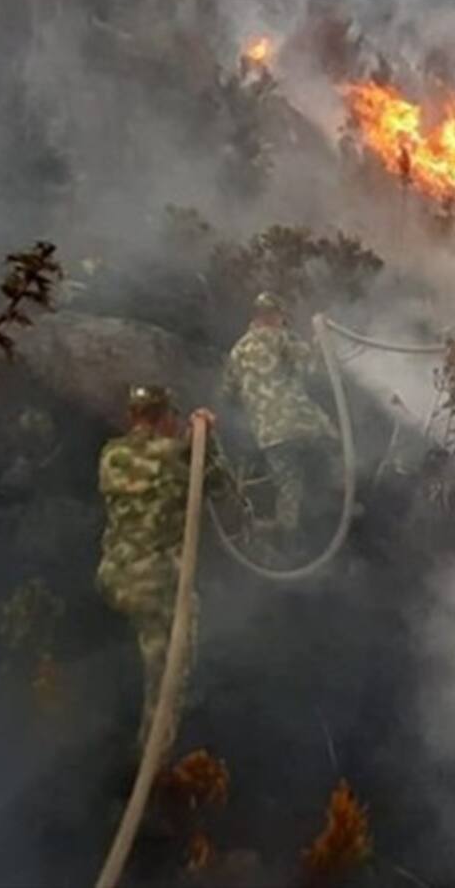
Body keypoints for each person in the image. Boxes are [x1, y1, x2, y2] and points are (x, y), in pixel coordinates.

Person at [96, 385, 218, 754]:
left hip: (114, 573)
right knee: (171, 665)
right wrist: (205, 440)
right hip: (154, 580)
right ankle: (155, 758)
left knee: (147, 650)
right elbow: (218, 484)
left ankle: (141, 741)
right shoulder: (176, 455)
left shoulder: (111, 453)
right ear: (166, 416)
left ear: (132, 416)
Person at [222, 292, 338, 539]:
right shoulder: (281, 338)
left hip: (268, 432)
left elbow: (228, 392)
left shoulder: (237, 351)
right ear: (276, 315)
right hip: (300, 419)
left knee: (289, 481)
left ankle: (288, 531)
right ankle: (344, 491)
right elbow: (314, 364)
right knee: (333, 443)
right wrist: (320, 340)